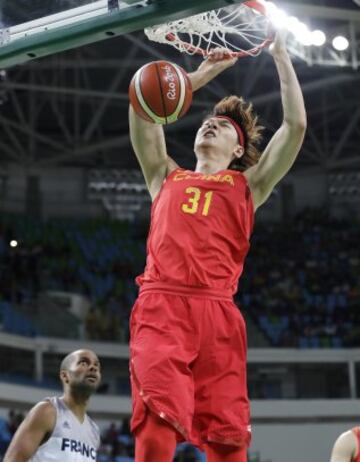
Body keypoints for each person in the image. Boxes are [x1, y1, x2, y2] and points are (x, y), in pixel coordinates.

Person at [129, 31, 306, 462]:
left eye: (223, 125)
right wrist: (198, 77)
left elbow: (295, 126)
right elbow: (144, 110)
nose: (211, 123)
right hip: (163, 306)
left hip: (218, 314)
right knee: (155, 428)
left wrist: (282, 57)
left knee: (229, 443)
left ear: (238, 147)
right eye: (207, 121)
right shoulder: (164, 175)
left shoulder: (249, 185)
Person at [4, 349, 101, 462]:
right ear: (65, 376)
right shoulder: (47, 411)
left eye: (97, 366)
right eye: (83, 363)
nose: (93, 368)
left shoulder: (94, 431)